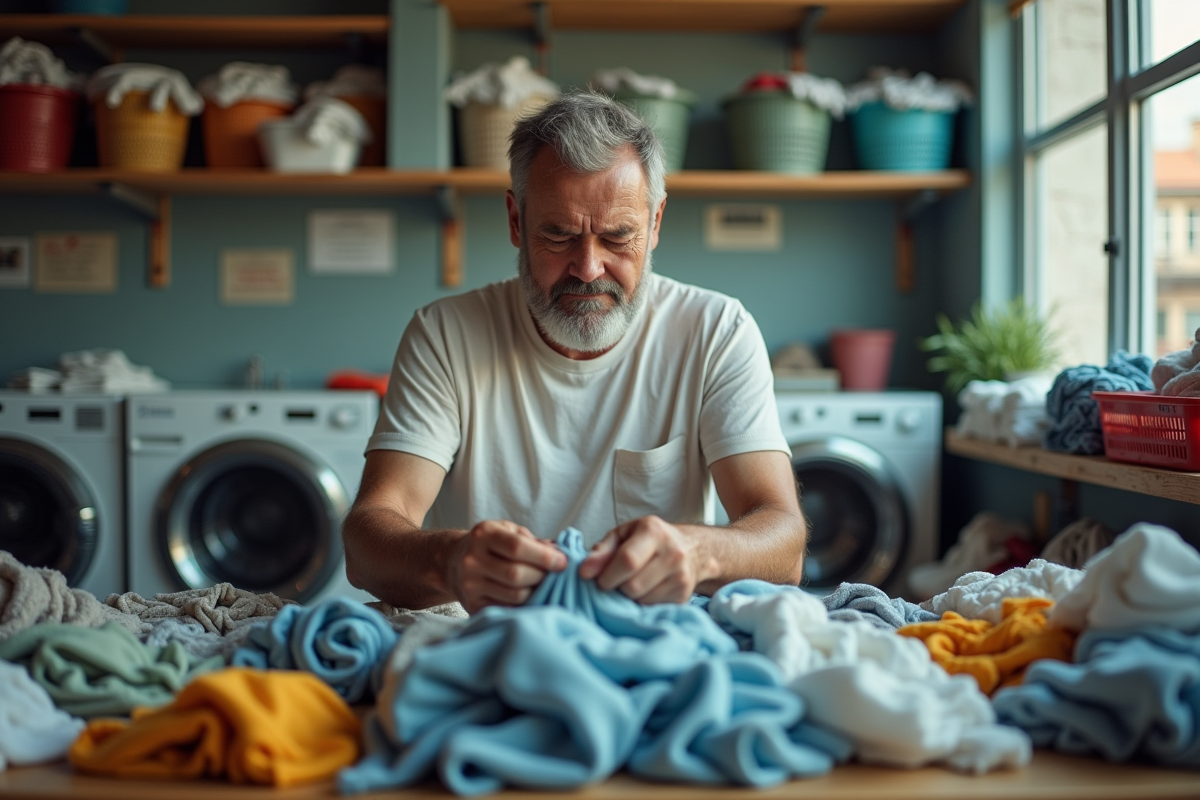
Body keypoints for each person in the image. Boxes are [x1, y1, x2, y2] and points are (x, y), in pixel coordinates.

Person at [343, 92, 806, 613]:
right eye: (559, 235)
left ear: (654, 224)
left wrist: (699, 553)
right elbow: (367, 541)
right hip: (491, 647)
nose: (588, 267)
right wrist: (449, 560)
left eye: (617, 237)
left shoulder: (717, 330)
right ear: (516, 222)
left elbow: (783, 542)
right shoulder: (444, 334)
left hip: (654, 643)